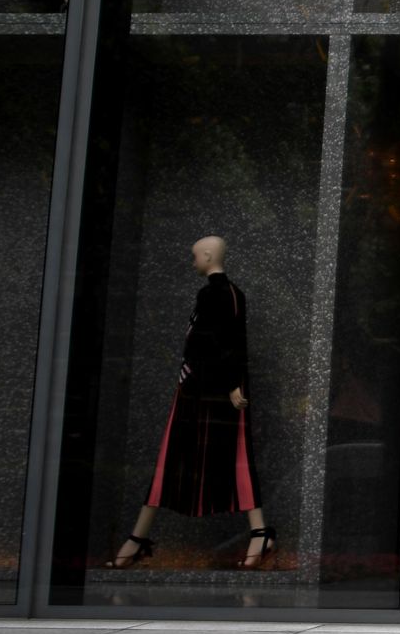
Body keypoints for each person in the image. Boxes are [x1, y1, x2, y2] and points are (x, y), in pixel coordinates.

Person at [104, 236, 276, 571]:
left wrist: (229, 384)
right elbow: (230, 343)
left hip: (203, 390)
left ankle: (138, 539)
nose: (192, 260)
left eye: (195, 255)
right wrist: (233, 384)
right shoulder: (230, 294)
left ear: (209, 255)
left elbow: (218, 342)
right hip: (216, 388)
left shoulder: (216, 294)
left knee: (177, 458)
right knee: (232, 458)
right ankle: (259, 532)